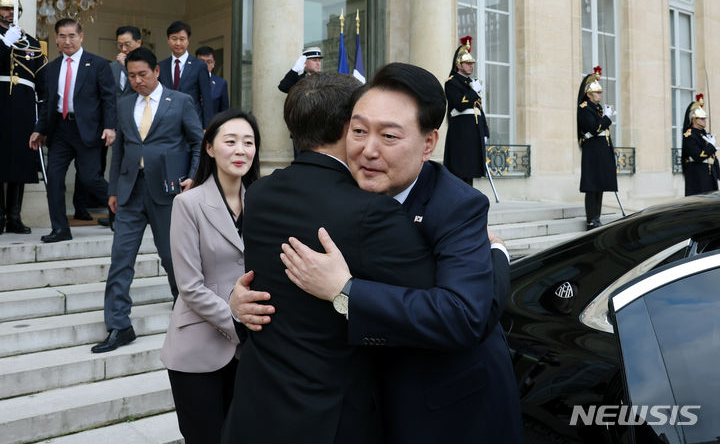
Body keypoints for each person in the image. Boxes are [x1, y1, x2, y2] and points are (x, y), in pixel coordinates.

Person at [256, 63, 521, 443]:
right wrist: (240, 301)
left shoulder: (457, 206)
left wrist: (345, 290)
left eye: (390, 136)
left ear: (428, 144)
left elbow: (465, 314)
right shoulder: (341, 192)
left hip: (448, 410)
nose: (368, 150)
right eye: (359, 131)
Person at [221, 73, 436, 444]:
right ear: (346, 127)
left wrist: (234, 301)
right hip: (327, 417)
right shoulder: (370, 210)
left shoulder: (259, 194)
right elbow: (432, 302)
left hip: (256, 406)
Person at [91, 47, 203, 353]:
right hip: (129, 193)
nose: (137, 80)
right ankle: (118, 325)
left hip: (168, 192)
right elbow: (120, 152)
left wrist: (193, 177)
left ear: (156, 71)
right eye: (131, 75)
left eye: (142, 74)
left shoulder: (180, 102)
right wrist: (113, 190)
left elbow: (198, 142)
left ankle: (186, 310)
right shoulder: (124, 103)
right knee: (120, 259)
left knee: (171, 257)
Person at [160, 109, 260, 444]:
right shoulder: (188, 203)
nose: (240, 150)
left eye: (248, 142)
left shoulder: (261, 203)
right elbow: (189, 286)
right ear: (210, 148)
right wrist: (239, 322)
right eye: (230, 141)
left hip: (250, 354)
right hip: (197, 348)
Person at [30, 18, 116, 243]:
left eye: (72, 36)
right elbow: (48, 103)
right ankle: (60, 229)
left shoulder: (97, 64)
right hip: (60, 130)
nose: (67, 41)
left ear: (81, 37)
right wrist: (40, 130)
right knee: (54, 180)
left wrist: (110, 127)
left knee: (90, 179)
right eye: (62, 36)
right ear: (56, 39)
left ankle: (123, 211)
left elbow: (109, 98)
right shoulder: (51, 68)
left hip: (88, 130)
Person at [74, 25, 142, 227]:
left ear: (138, 43)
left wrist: (129, 65)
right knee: (98, 168)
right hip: (108, 125)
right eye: (120, 45)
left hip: (133, 125)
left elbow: (140, 92)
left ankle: (124, 214)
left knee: (126, 168)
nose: (123, 49)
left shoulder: (147, 67)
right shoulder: (110, 67)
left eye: (128, 45)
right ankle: (107, 213)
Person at [0, 0, 47, 234]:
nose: (9, 13)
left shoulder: (30, 41)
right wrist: (4, 43)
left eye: (13, 8)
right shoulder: (4, 38)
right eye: (4, 8)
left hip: (22, 107)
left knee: (19, 162)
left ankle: (14, 217)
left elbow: (40, 77)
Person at [444, 37, 489, 185]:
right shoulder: (452, 82)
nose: (471, 66)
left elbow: (478, 109)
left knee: (471, 170)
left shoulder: (471, 83)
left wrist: (485, 131)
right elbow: (460, 104)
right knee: (461, 169)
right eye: (468, 63)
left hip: (474, 129)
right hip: (461, 131)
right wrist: (474, 92)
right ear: (459, 65)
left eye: (471, 64)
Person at [577, 66, 617, 230]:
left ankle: (597, 216)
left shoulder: (597, 108)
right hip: (592, 150)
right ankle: (591, 219)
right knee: (592, 186)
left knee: (599, 185)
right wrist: (607, 118)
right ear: (588, 94)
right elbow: (594, 129)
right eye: (597, 93)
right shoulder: (585, 108)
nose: (600, 95)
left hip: (601, 149)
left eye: (600, 92)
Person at [159, 21, 212, 129]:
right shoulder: (161, 66)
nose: (178, 43)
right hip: (167, 124)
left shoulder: (199, 66)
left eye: (182, 39)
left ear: (188, 41)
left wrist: (207, 127)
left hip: (192, 122)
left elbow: (207, 98)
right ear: (168, 40)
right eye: (174, 39)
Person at [681, 93, 719, 195]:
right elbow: (698, 156)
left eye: (704, 118)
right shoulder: (689, 135)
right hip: (698, 175)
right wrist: (711, 146)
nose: (704, 121)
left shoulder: (704, 134)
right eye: (702, 119)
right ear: (694, 119)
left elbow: (713, 157)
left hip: (710, 174)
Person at [195, 46, 228, 116]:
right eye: (202, 61)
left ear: (213, 64)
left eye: (209, 62)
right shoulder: (187, 80)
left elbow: (224, 111)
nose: (205, 65)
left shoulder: (221, 83)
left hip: (212, 125)